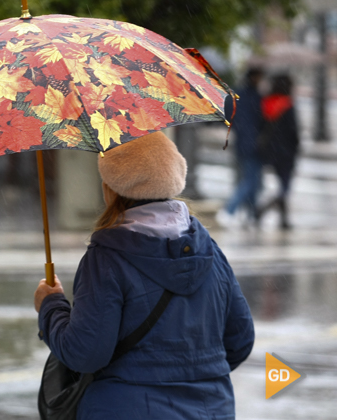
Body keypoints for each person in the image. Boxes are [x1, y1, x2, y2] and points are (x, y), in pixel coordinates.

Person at [34, 131, 255, 419]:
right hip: (211, 409)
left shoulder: (106, 259)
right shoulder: (209, 251)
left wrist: (51, 306)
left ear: (109, 190)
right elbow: (239, 341)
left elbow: (86, 354)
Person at [216, 67, 264, 228]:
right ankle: (229, 210)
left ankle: (251, 215)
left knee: (251, 180)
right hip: (253, 144)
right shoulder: (255, 97)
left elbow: (230, 117)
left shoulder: (237, 96)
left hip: (242, 143)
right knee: (250, 180)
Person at [256, 74, 300, 230]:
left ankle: (284, 220)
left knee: (282, 185)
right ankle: (265, 208)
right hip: (286, 153)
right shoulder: (288, 105)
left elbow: (262, 126)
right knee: (285, 187)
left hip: (272, 152)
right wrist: (296, 147)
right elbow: (293, 131)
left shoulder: (267, 102)